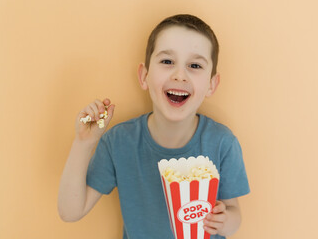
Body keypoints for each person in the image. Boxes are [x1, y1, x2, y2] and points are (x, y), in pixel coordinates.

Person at [58, 14, 250, 239]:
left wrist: (225, 221)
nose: (180, 75)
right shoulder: (119, 142)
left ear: (211, 84)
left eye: (195, 65)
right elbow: (70, 212)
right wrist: (84, 142)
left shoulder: (222, 143)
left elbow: (235, 213)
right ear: (144, 76)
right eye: (167, 61)